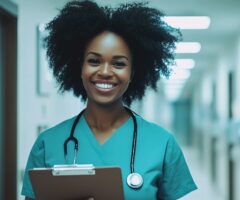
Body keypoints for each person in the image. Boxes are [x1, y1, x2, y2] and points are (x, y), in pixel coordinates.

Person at [22, 0, 197, 199]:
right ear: (80, 68)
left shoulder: (163, 144)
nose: (105, 72)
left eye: (119, 64)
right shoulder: (47, 144)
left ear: (133, 73)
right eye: (94, 61)